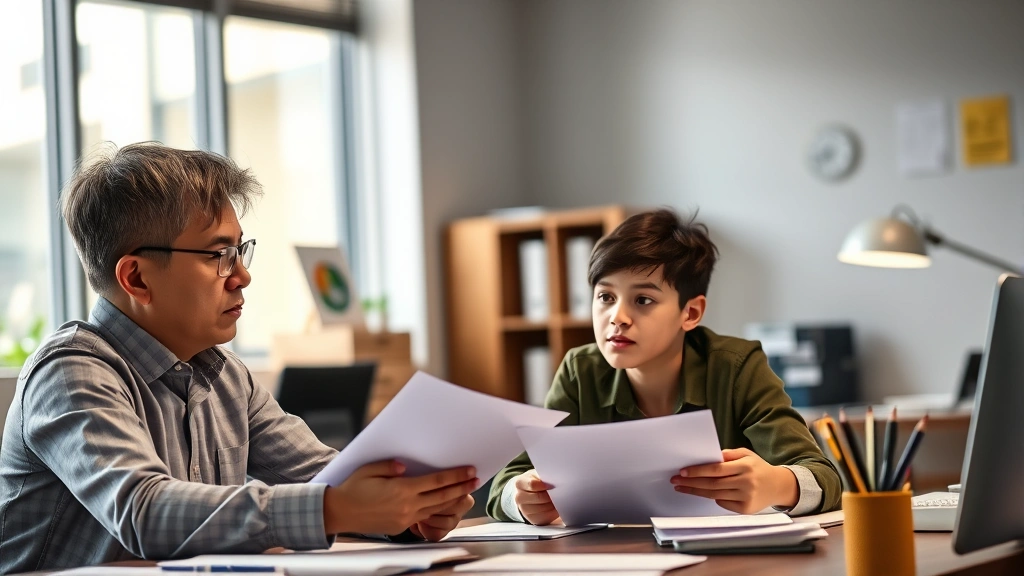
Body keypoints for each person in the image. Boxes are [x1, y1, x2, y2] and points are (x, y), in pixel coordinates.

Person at [0, 143, 478, 574]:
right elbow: (143, 512)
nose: (243, 276)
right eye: (218, 256)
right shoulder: (70, 370)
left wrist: (407, 511)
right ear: (137, 278)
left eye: (240, 250)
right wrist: (337, 508)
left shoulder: (226, 375)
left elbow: (327, 478)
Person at [486, 208, 841, 525]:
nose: (617, 318)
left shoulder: (736, 367)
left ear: (691, 313)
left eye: (643, 300)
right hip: (612, 561)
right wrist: (522, 498)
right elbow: (508, 479)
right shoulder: (581, 370)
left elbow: (824, 477)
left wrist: (777, 484)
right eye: (605, 297)